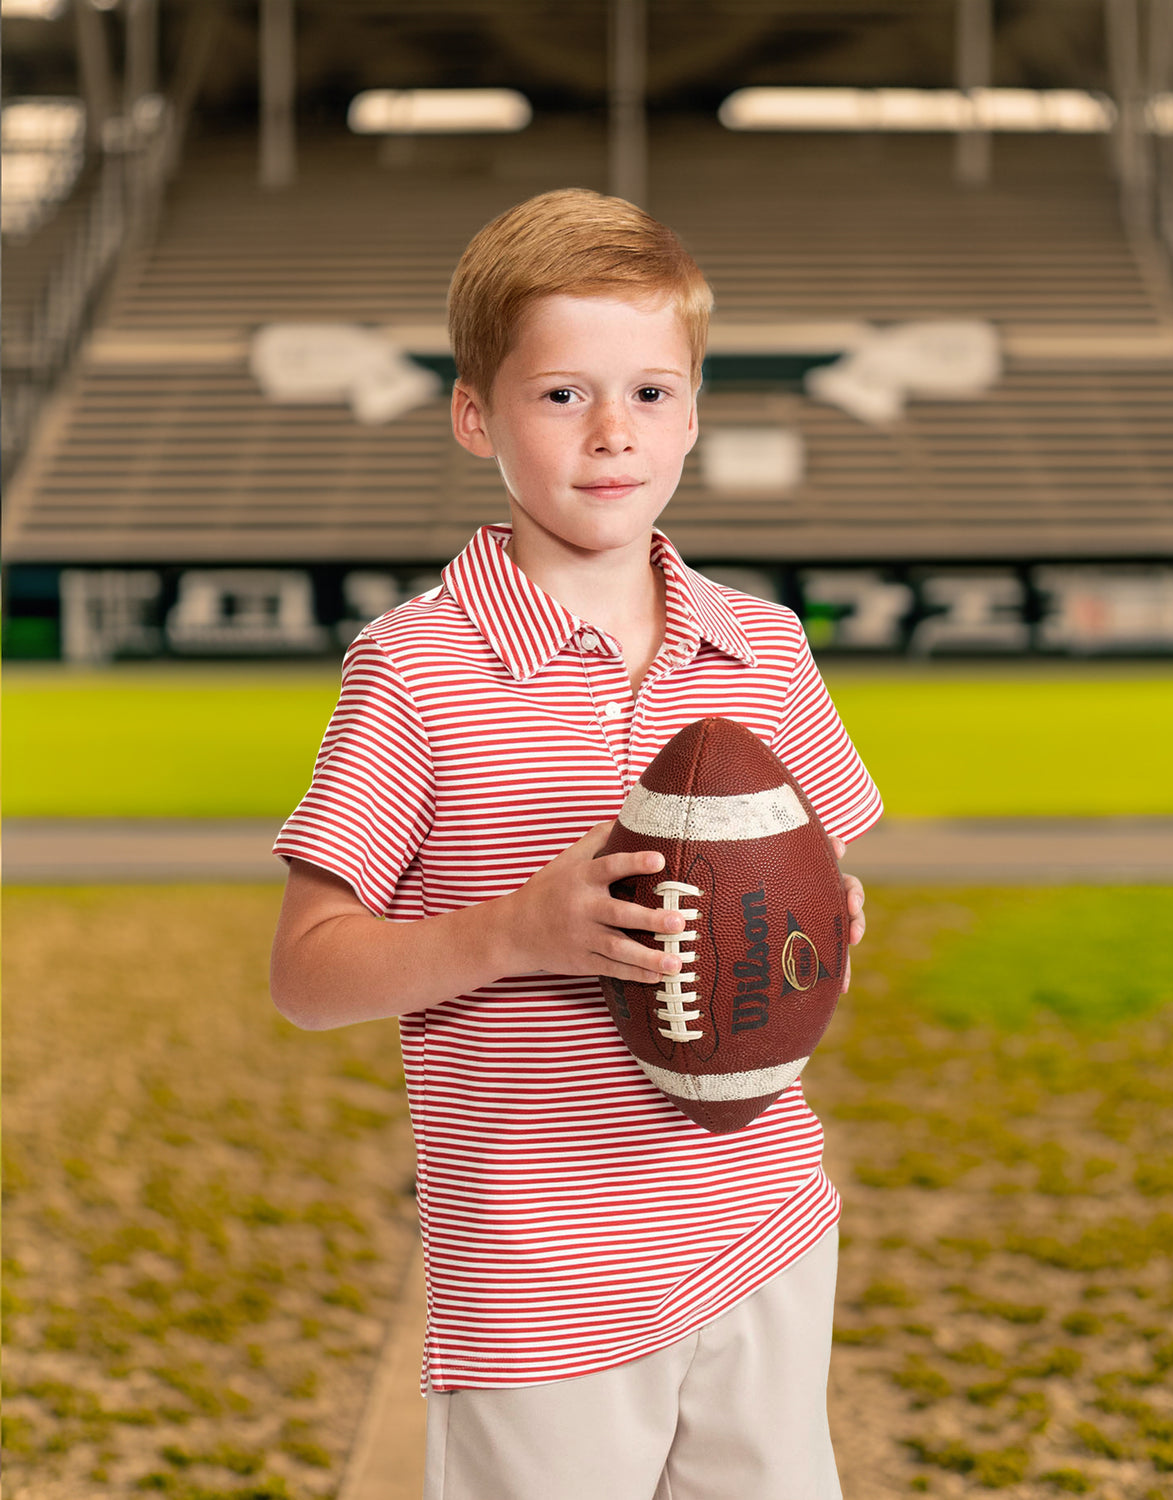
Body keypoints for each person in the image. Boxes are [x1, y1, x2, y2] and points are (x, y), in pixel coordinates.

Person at [270, 188, 882, 1500]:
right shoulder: (413, 670)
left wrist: (821, 926)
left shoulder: (762, 647)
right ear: (474, 414)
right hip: (536, 1267)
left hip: (760, 1227)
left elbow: (820, 887)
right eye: (563, 396)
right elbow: (307, 973)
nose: (615, 433)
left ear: (697, 413)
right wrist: (516, 932)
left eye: (653, 393)